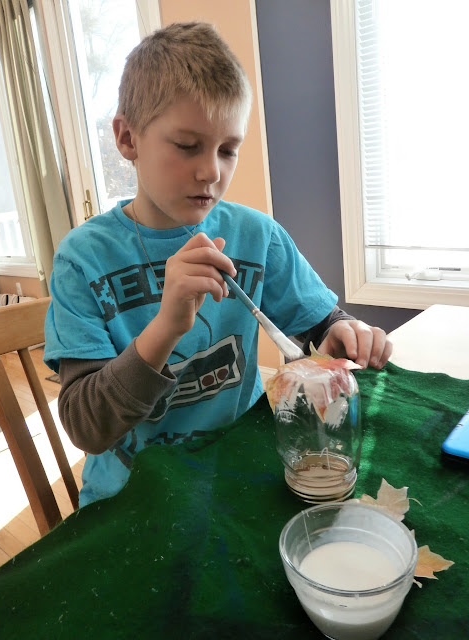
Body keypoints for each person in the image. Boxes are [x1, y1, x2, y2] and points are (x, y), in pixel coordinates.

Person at [44, 22, 392, 507]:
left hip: (237, 469)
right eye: (187, 146)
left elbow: (320, 323)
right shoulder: (81, 260)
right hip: (130, 496)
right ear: (127, 138)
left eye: (228, 150)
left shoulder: (258, 236)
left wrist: (340, 333)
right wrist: (166, 326)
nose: (212, 171)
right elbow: (87, 427)